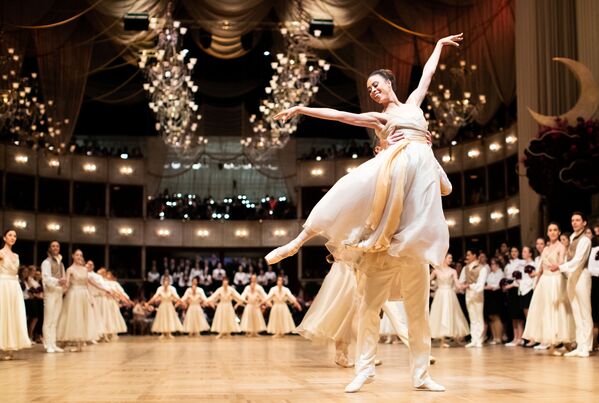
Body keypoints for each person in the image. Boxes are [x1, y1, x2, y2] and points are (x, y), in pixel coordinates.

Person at [266, 34, 462, 393]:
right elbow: (340, 115)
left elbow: (427, 77)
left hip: (416, 220)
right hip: (388, 223)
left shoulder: (414, 105)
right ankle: (364, 367)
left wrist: (438, 45)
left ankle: (422, 375)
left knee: (418, 312)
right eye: (369, 88)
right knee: (369, 307)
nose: (373, 90)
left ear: (390, 84)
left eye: (377, 85)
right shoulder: (381, 122)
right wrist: (301, 109)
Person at [522, 223, 574, 353]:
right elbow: (540, 268)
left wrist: (558, 265)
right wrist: (536, 278)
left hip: (555, 280)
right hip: (545, 281)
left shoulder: (561, 247)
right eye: (550, 230)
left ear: (559, 232)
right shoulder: (545, 248)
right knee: (546, 311)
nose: (552, 232)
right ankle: (551, 344)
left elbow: (562, 261)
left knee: (558, 310)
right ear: (547, 233)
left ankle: (564, 342)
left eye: (555, 230)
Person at [559, 212, 593, 357]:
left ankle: (587, 346)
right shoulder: (573, 237)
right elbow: (569, 258)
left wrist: (561, 267)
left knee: (585, 312)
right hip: (572, 275)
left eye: (578, 220)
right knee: (576, 311)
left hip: (582, 275)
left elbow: (579, 260)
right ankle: (580, 345)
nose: (574, 222)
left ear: (584, 223)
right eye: (572, 220)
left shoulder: (585, 240)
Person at [56, 249, 99, 352]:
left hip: (83, 295)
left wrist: (90, 298)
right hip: (73, 294)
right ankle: (64, 342)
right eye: (77, 255)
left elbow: (87, 284)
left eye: (81, 255)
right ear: (73, 256)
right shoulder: (70, 269)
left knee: (82, 318)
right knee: (73, 317)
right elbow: (66, 285)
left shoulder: (85, 269)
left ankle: (79, 345)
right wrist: (59, 290)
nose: (79, 256)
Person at [0, 230, 31, 359]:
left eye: (14, 236)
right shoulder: (0, 253)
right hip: (3, 284)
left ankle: (10, 346)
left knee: (14, 314)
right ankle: (2, 348)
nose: (13, 238)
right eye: (10, 235)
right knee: (3, 313)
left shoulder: (16, 256)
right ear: (4, 238)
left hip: (14, 286)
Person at [430, 254, 469, 346]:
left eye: (451, 258)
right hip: (440, 294)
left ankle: (454, 337)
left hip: (449, 294)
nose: (451, 259)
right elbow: (427, 280)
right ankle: (442, 339)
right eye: (449, 258)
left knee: (451, 314)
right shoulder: (436, 271)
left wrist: (466, 286)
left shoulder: (453, 271)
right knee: (440, 314)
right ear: (443, 258)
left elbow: (457, 284)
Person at [41, 240, 67, 353]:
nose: (55, 248)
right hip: (50, 292)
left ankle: (53, 343)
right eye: (53, 246)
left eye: (57, 246)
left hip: (58, 292)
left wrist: (64, 284)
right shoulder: (46, 262)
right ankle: (48, 344)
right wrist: (58, 281)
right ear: (49, 248)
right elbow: (46, 279)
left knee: (55, 319)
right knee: (48, 320)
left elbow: (64, 277)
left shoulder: (61, 263)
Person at [458, 250, 487, 348]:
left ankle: (479, 339)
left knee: (479, 317)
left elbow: (481, 285)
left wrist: (469, 286)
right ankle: (474, 339)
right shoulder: (465, 268)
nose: (467, 257)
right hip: (468, 294)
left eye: (469, 255)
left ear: (475, 256)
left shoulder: (482, 268)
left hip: (477, 294)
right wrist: (462, 286)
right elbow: (461, 281)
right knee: (472, 318)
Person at [503, 247, 526, 346]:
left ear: (518, 252)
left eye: (516, 251)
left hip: (517, 288)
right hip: (510, 290)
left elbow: (520, 278)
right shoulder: (508, 265)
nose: (514, 253)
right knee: (513, 315)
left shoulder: (521, 262)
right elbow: (506, 277)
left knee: (518, 315)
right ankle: (515, 337)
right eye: (512, 251)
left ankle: (520, 338)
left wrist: (511, 285)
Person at [484, 258, 506, 344]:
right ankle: (494, 337)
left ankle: (499, 337)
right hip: (490, 295)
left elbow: (498, 285)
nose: (492, 266)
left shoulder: (500, 273)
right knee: (491, 317)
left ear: (498, 265)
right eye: (491, 264)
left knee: (496, 316)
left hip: (497, 295)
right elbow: (487, 283)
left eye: (493, 264)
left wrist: (490, 286)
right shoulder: (490, 274)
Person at [588, 234, 599, 350]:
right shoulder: (593, 251)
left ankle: (594, 343)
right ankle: (593, 343)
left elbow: (590, 269)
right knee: (595, 316)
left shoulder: (592, 251)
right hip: (595, 283)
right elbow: (590, 269)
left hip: (594, 281)